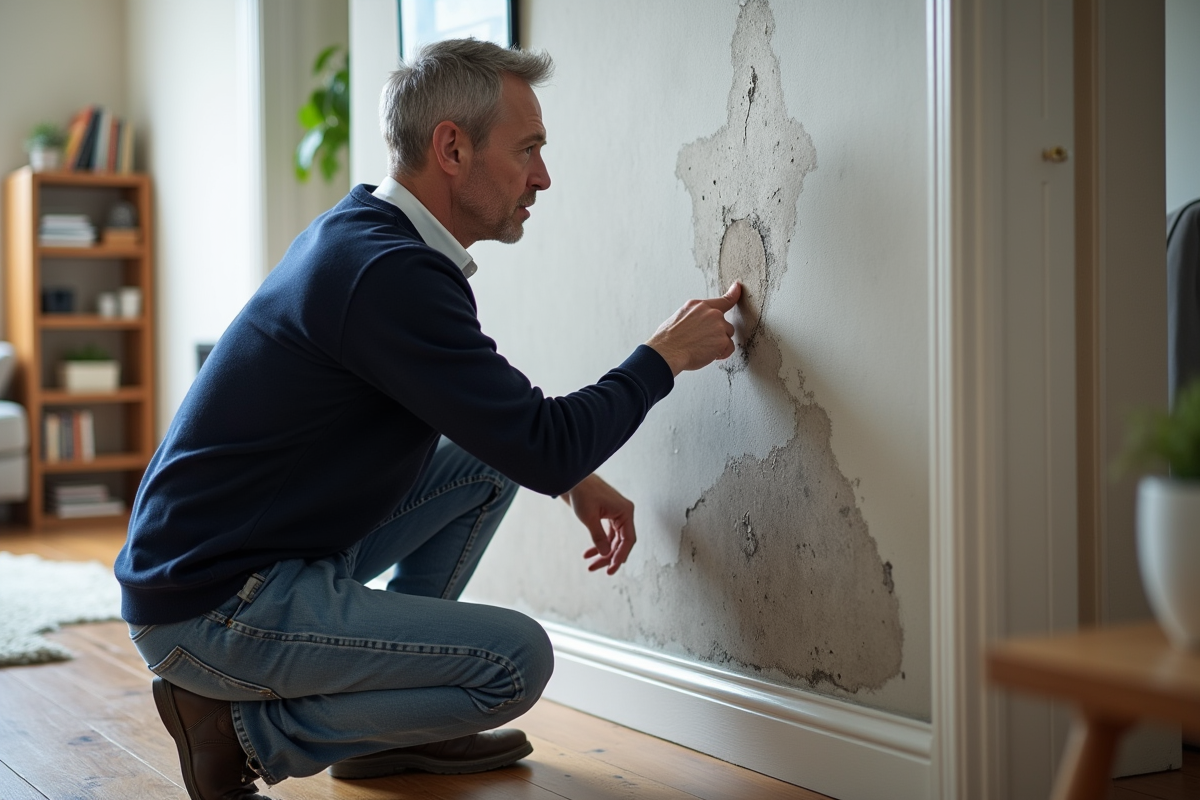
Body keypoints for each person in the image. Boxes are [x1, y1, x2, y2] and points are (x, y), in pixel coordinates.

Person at [114, 38, 741, 800]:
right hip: (211, 603)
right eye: (528, 149)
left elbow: (501, 430)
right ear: (452, 148)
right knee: (515, 662)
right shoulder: (387, 274)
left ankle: (387, 736)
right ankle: (235, 731)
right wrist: (663, 357)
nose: (543, 176)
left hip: (243, 560)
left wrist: (572, 477)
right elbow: (543, 444)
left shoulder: (368, 236)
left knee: (485, 467)